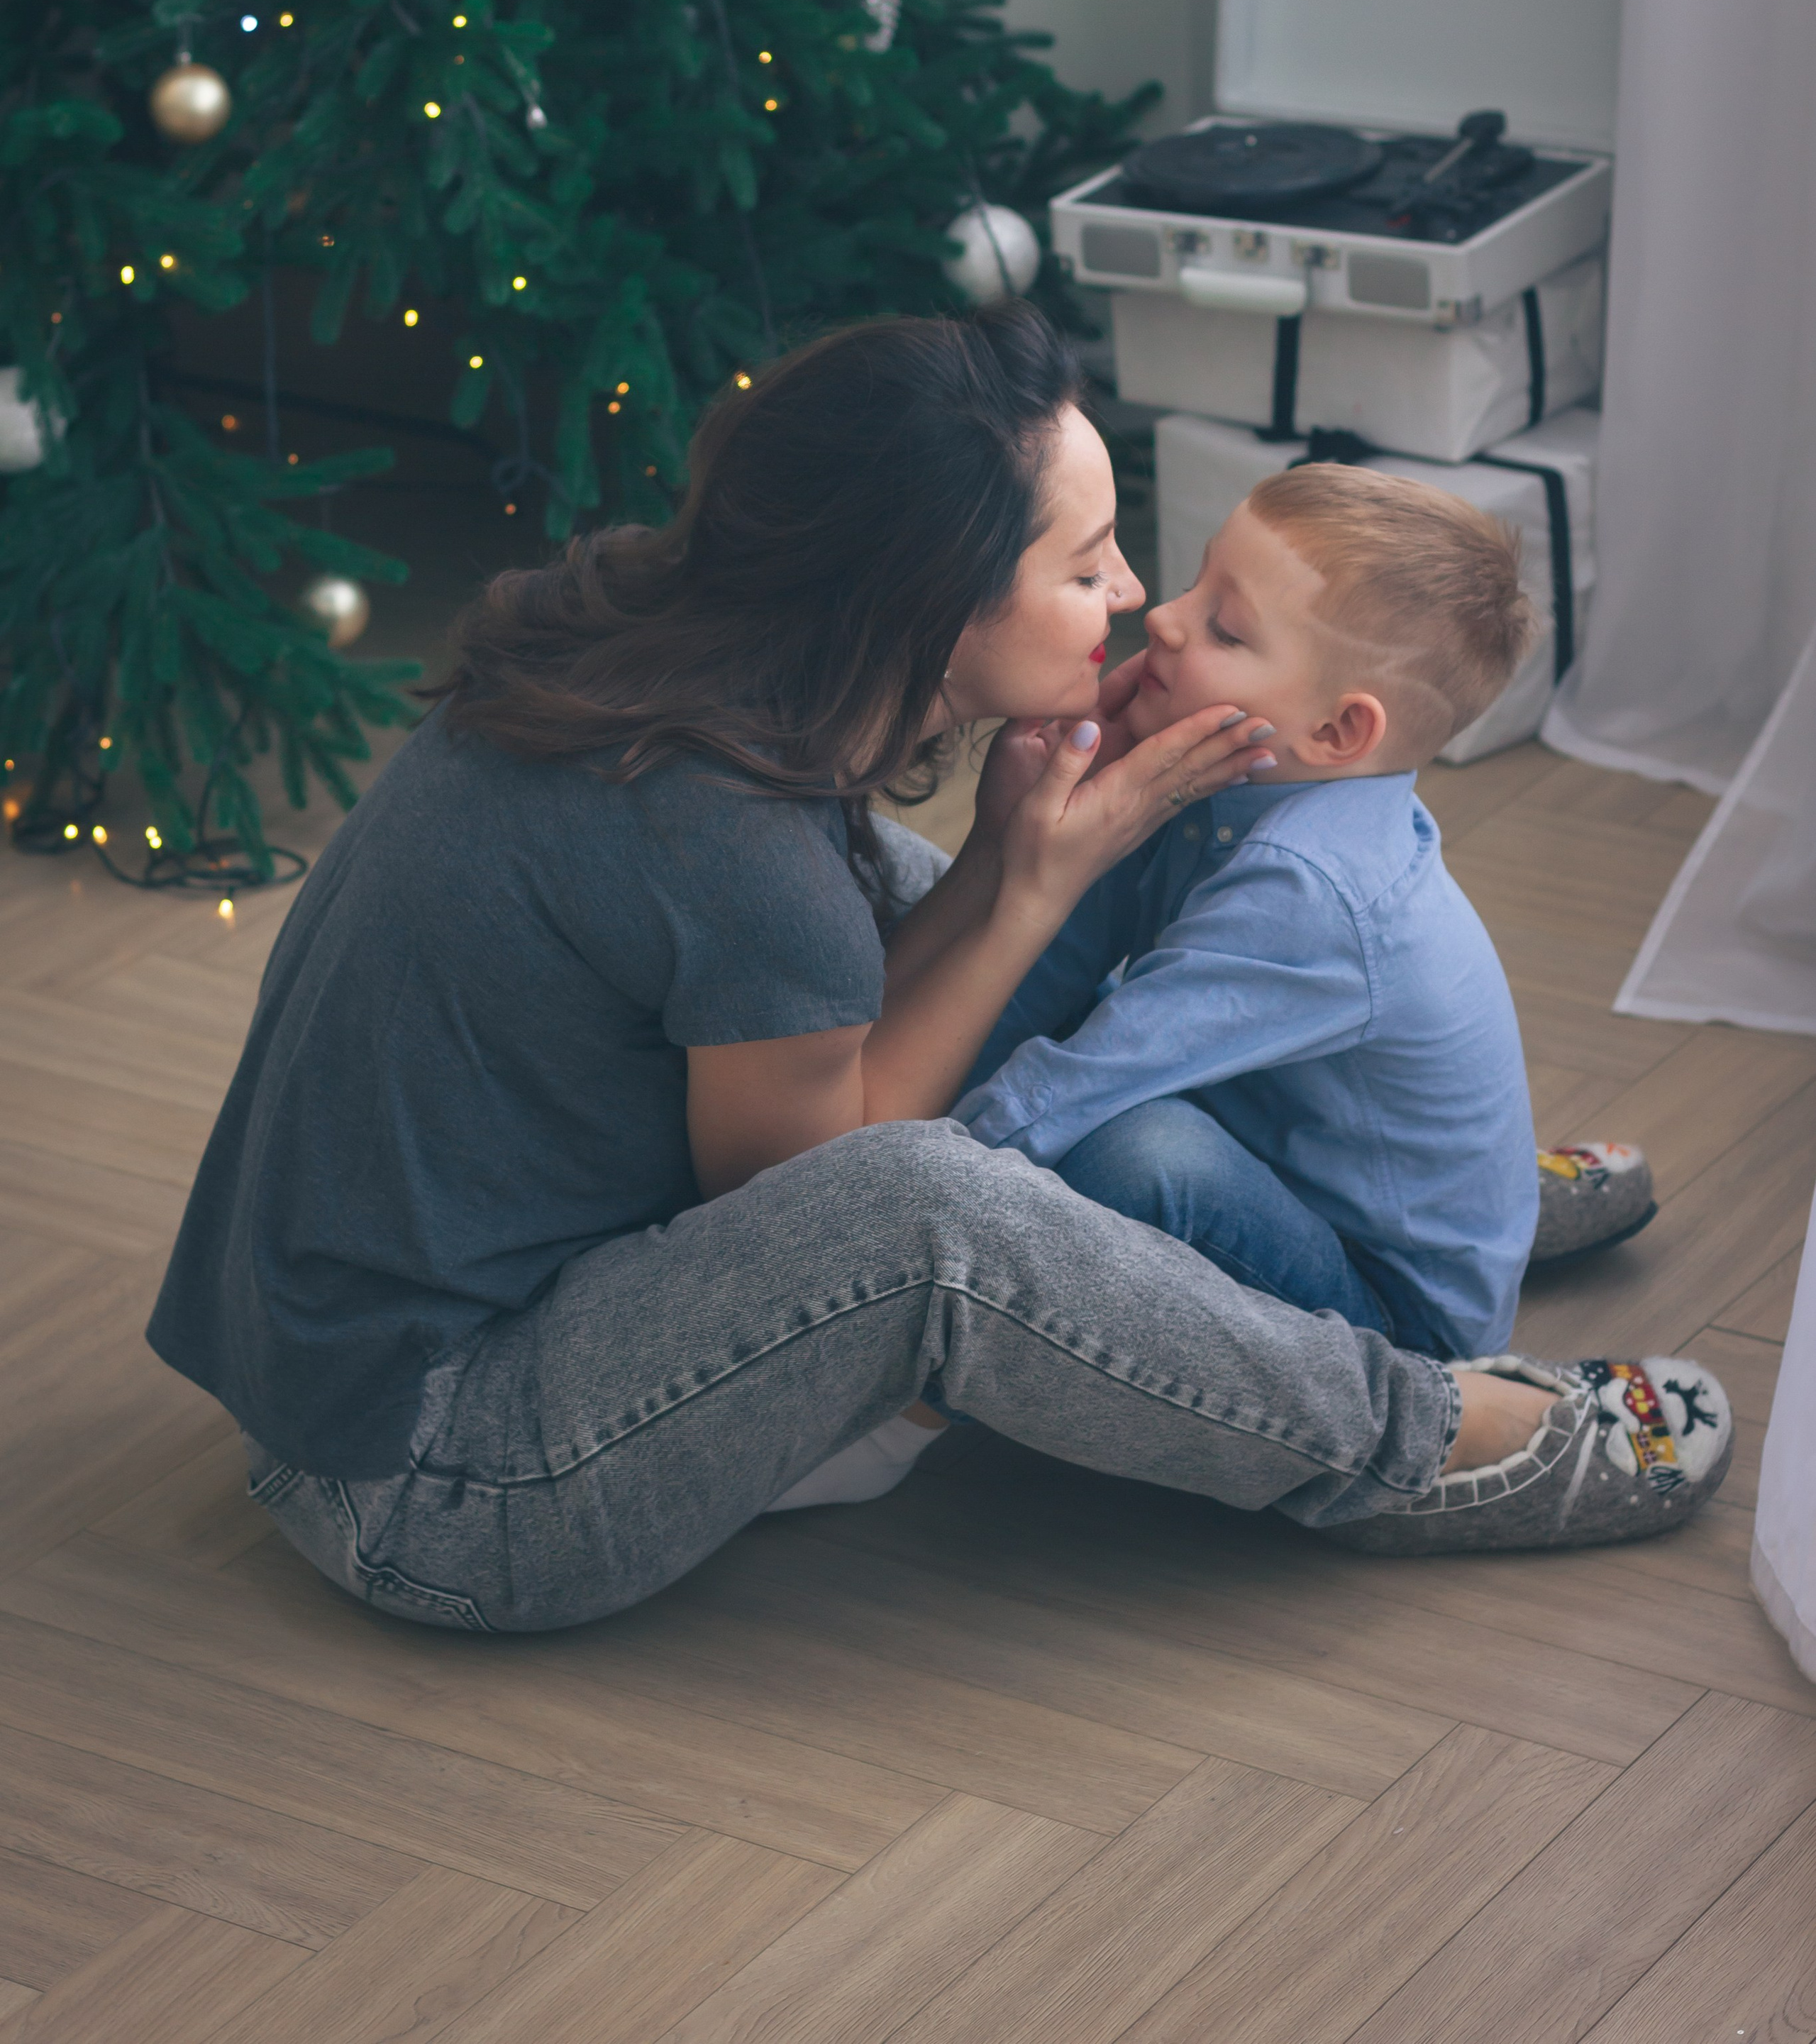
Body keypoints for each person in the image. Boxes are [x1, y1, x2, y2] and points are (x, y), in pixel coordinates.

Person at [145, 306, 1730, 1633]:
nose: (1128, 600)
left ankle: (1381, 1195)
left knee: (924, 891)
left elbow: (839, 994)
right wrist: (1029, 887)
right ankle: (1414, 1438)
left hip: (350, 1366)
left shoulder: (691, 656)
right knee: (941, 1203)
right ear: (926, 603)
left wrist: (1004, 864)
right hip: (432, 1482)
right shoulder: (732, 847)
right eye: (1090, 562)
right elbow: (830, 1202)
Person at [954, 467, 1649, 1368]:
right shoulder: (1219, 776)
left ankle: (1431, 1374)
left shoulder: (1310, 888)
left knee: (1134, 1152)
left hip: (1395, 1319)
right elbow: (1056, 953)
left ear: (1334, 733)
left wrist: (904, 1176)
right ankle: (1508, 1200)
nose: (1163, 616)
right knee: (1076, 1041)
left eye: (1224, 627)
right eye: (1199, 580)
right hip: (1288, 1171)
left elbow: (1091, 1077)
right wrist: (920, 1077)